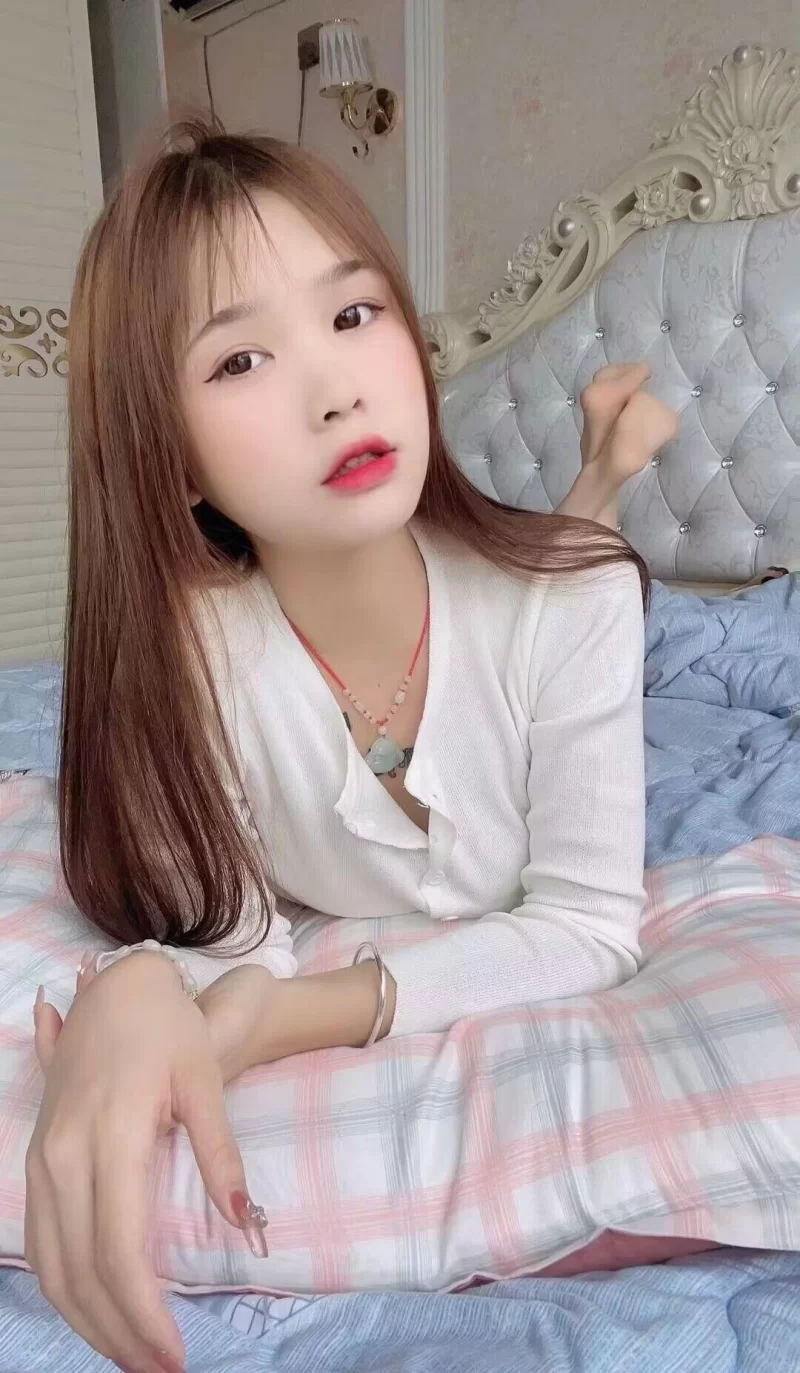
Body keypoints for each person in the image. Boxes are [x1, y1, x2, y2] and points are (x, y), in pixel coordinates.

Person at [26, 121, 678, 1373]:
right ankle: (599, 466)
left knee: (575, 558)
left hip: (543, 578)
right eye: (239, 359)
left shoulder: (580, 597)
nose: (336, 391)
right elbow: (231, 930)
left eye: (353, 313)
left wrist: (281, 1019)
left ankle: (607, 468)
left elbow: (592, 926)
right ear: (169, 457)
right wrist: (137, 987)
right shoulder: (190, 653)